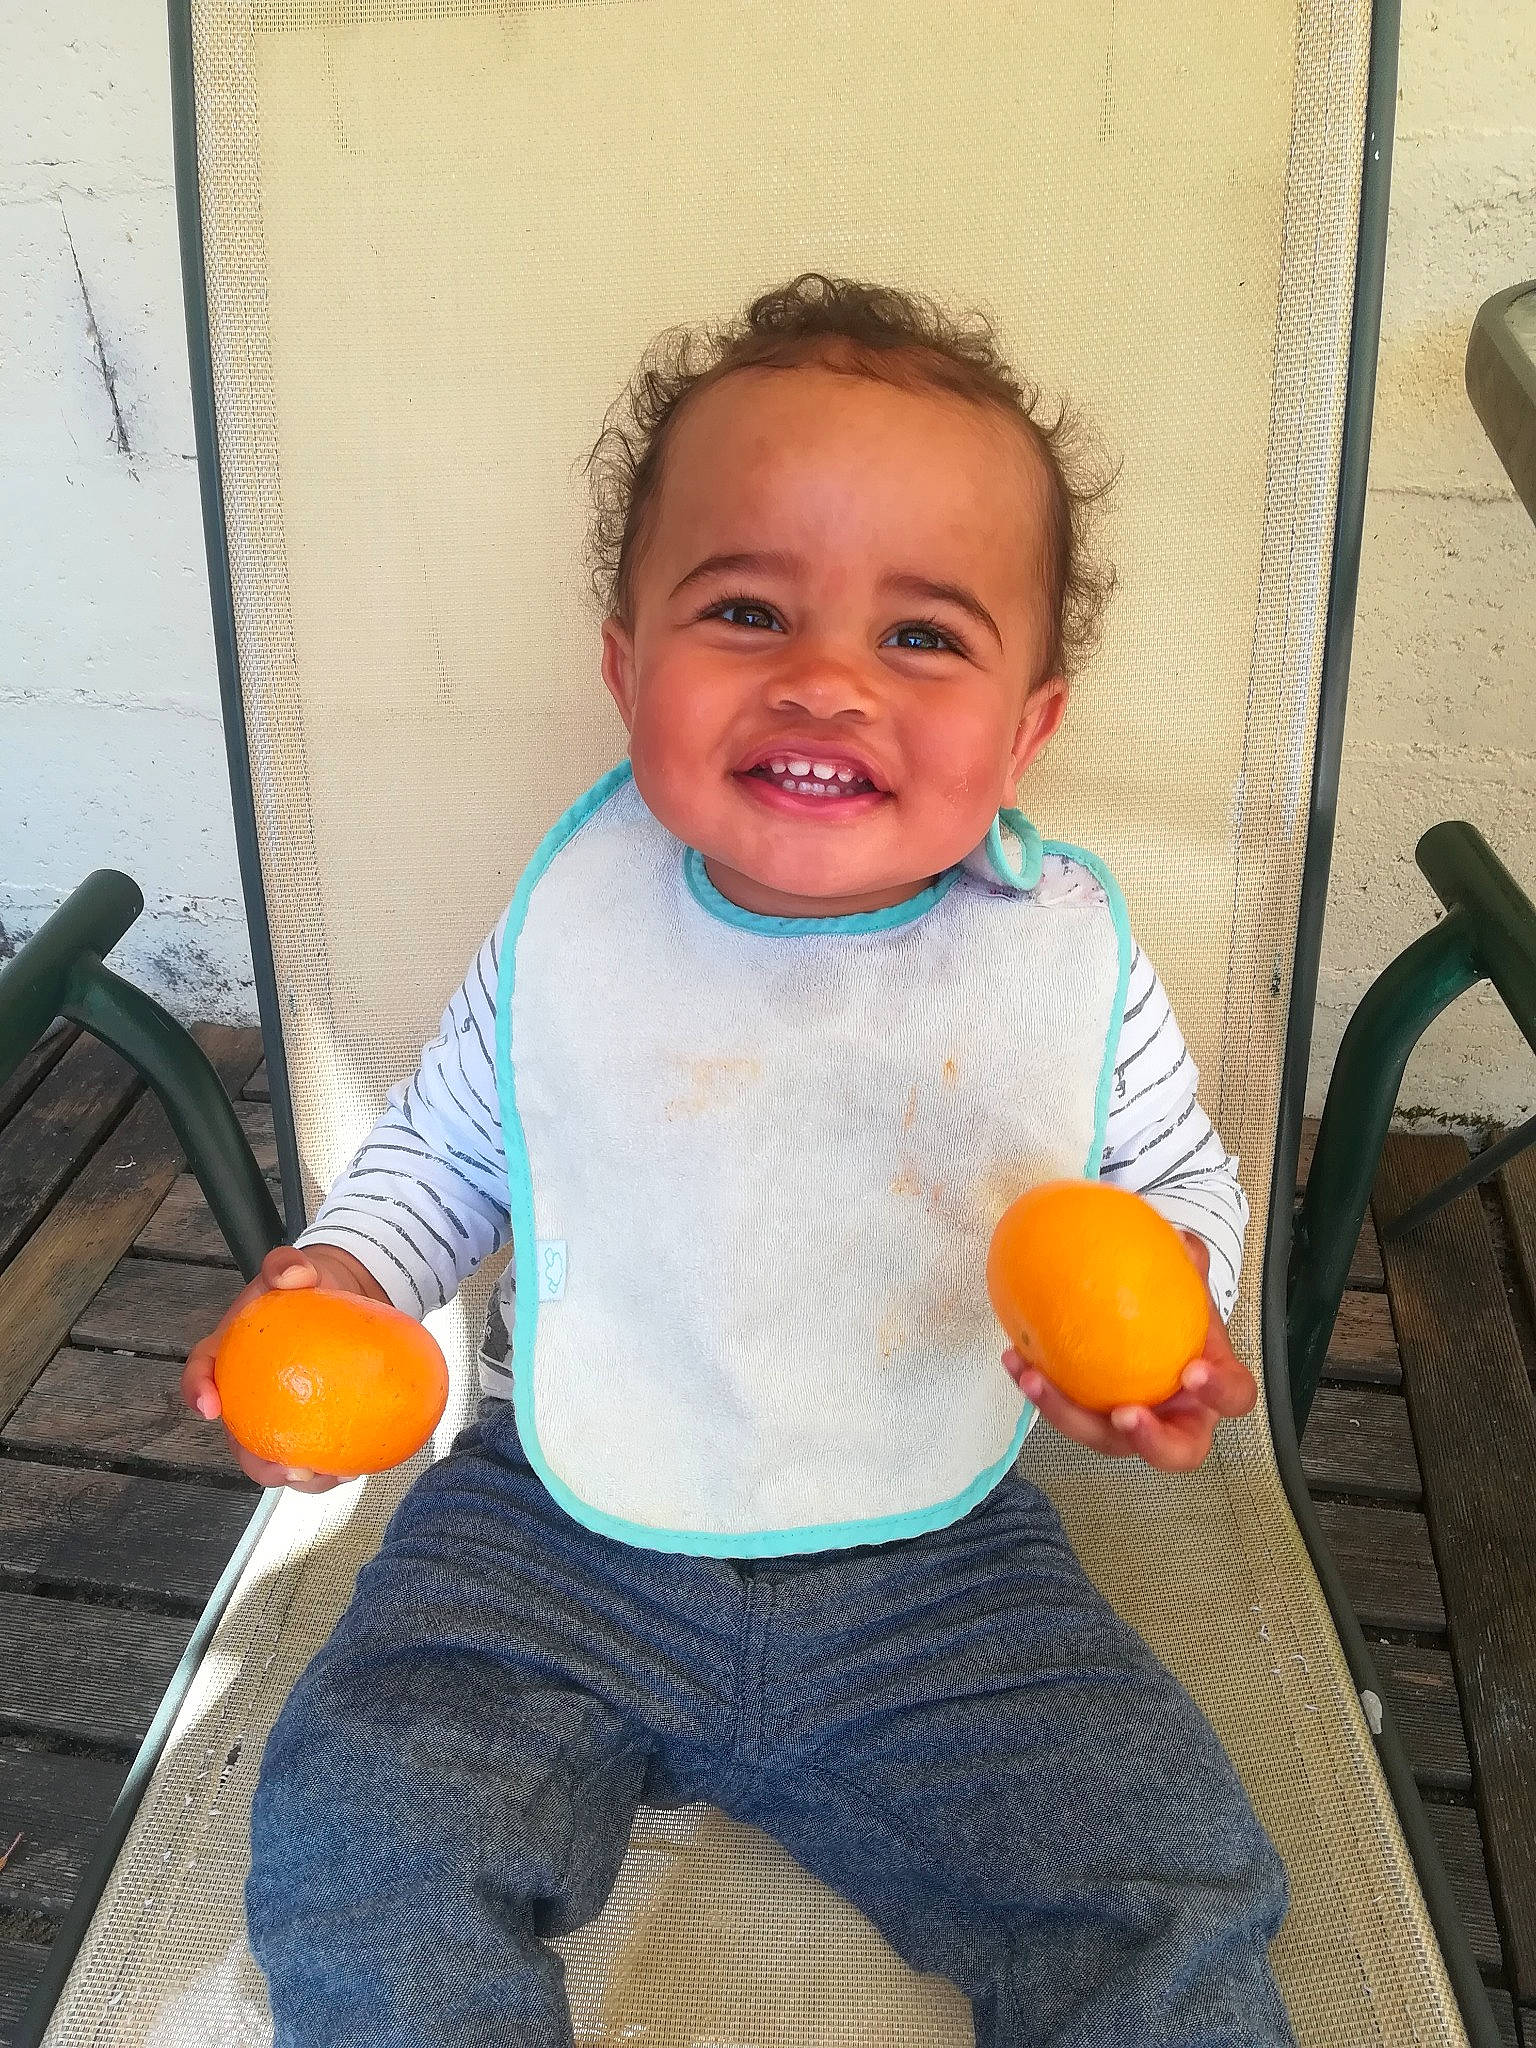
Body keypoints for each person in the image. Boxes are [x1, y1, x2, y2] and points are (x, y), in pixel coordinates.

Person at [183, 272, 1294, 2048]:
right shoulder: (578, 916)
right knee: (362, 1836)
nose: (829, 679)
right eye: (749, 607)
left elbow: (1175, 1187)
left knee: (1167, 1889)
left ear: (1028, 728)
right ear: (629, 667)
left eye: (924, 637)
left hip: (939, 1558)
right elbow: (455, 1147)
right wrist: (347, 1277)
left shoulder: (1058, 954)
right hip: (553, 1524)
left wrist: (1169, 1328)